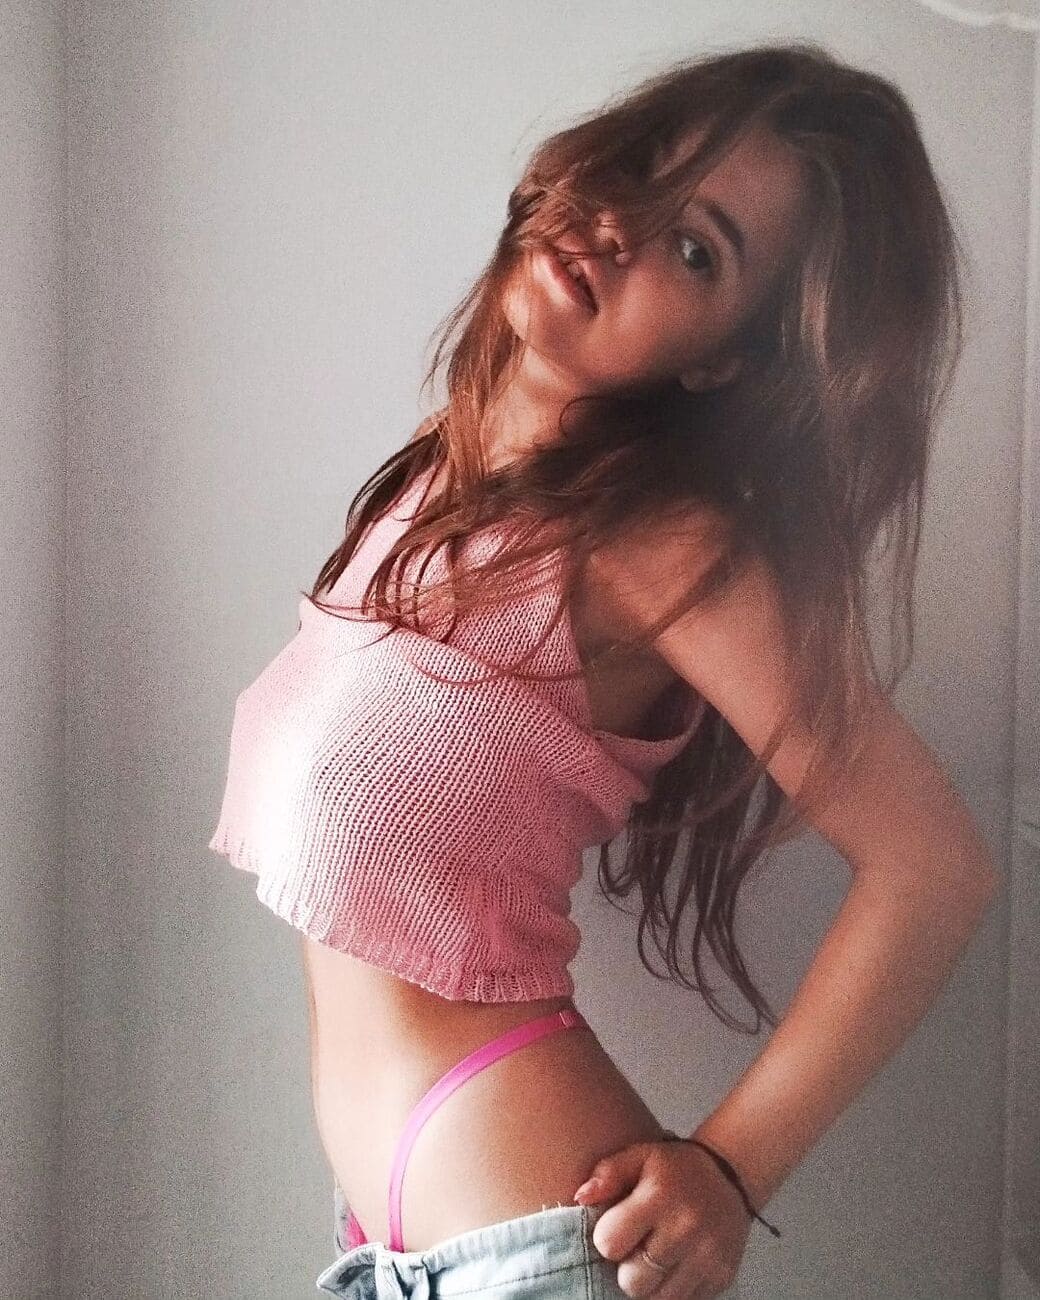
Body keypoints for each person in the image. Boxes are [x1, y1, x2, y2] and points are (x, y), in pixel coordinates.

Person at [208, 39, 999, 1299]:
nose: (618, 228)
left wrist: (730, 1170)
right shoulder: (441, 469)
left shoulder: (659, 544)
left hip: (531, 1243)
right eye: (641, 167)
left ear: (723, 356)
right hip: (392, 1244)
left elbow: (933, 865)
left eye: (693, 249)